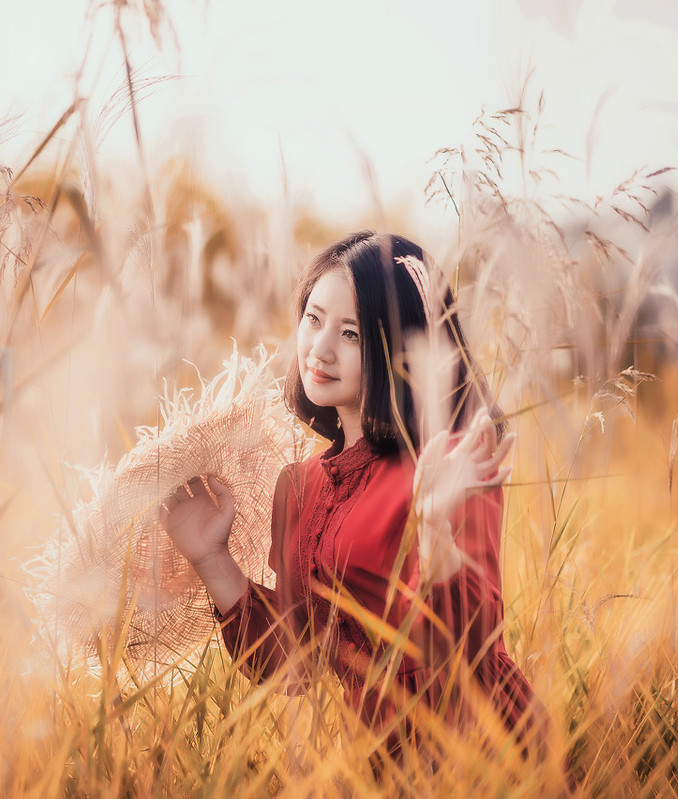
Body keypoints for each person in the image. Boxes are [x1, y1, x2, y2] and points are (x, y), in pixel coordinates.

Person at [159, 231, 542, 756]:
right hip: (379, 764)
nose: (320, 349)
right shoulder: (300, 487)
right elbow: (296, 665)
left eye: (352, 334)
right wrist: (211, 556)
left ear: (402, 349)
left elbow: (473, 642)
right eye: (313, 319)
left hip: (485, 753)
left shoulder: (448, 459)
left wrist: (431, 526)